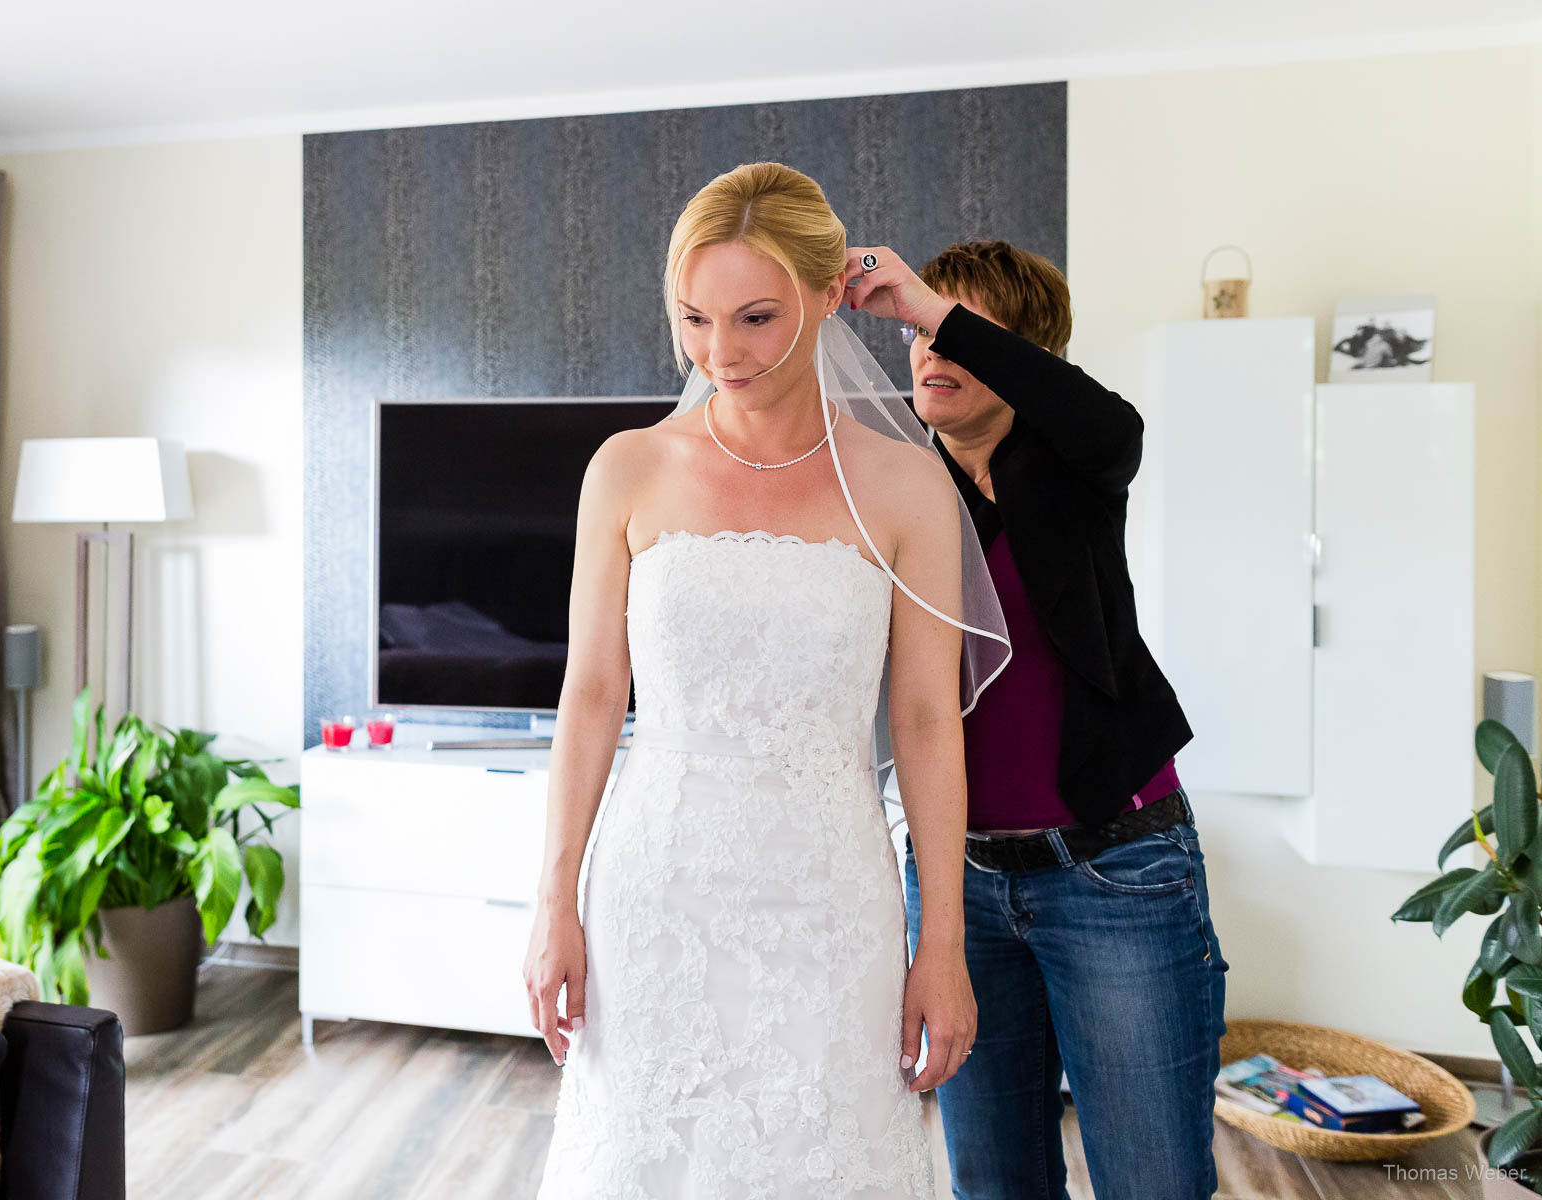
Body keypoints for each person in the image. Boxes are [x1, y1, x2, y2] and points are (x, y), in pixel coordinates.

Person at [523, 162, 1009, 1198]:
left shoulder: (907, 486)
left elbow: (927, 721)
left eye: (753, 316)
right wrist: (552, 902)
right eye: (695, 319)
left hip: (833, 907)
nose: (720, 353)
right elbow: (593, 695)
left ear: (831, 294)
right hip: (654, 900)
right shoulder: (627, 469)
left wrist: (945, 944)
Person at [847, 238, 1228, 1199]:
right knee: (994, 1183)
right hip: (959, 890)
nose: (929, 348)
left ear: (1026, 356)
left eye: (955, 328)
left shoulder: (1077, 465)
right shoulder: (899, 490)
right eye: (918, 333)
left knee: (1154, 1183)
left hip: (1118, 872)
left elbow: (1107, 421)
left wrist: (929, 304)